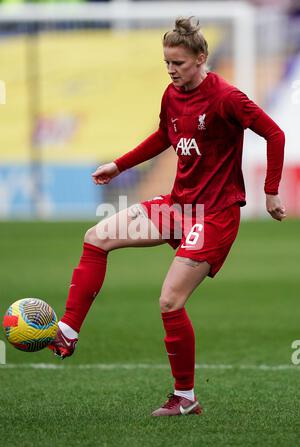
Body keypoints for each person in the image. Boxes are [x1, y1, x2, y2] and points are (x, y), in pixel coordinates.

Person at [48, 17, 286, 416]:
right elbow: (164, 136)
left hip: (214, 215)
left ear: (201, 58)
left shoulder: (228, 97)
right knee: (97, 236)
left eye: (178, 62)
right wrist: (119, 166)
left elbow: (274, 134)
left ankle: (185, 398)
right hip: (179, 205)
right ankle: (68, 330)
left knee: (170, 301)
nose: (172, 70)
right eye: (167, 63)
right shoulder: (171, 94)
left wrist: (271, 190)